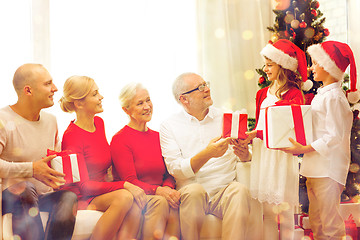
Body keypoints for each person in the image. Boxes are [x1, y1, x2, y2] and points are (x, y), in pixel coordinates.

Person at [159, 72, 262, 240]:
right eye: (200, 88)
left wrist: (244, 155)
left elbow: (242, 158)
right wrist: (208, 153)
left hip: (223, 191)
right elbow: (175, 169)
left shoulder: (225, 117)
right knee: (194, 191)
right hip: (193, 191)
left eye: (205, 84)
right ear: (184, 99)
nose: (207, 89)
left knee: (239, 189)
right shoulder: (169, 126)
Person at [281, 41, 356, 239]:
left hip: (328, 170)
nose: (311, 68)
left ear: (328, 66)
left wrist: (304, 148)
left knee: (329, 223)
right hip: (315, 168)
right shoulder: (322, 95)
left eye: (314, 63)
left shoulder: (334, 98)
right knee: (316, 220)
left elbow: (334, 135)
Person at [60, 75, 144, 240]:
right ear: (79, 103)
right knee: (125, 196)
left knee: (135, 202)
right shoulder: (72, 136)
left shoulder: (99, 123)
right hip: (82, 197)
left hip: (100, 193)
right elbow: (83, 185)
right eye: (95, 94)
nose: (101, 97)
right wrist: (125, 185)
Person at [0, 63, 77, 240]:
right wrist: (32, 169)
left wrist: (57, 176)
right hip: (10, 198)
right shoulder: (2, 119)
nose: (55, 88)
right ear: (28, 91)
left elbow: (52, 161)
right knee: (25, 188)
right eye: (48, 83)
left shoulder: (51, 121)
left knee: (68, 196)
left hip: (41, 196)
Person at [244, 39, 308, 240]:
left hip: (280, 158)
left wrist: (258, 134)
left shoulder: (294, 94)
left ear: (283, 66)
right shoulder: (261, 93)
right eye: (265, 64)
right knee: (268, 214)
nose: (265, 69)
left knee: (285, 214)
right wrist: (249, 137)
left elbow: (288, 130)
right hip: (263, 156)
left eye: (270, 65)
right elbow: (258, 126)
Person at [110, 82, 180, 240]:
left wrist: (168, 188)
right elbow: (130, 180)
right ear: (126, 110)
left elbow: (169, 173)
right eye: (140, 103)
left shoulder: (158, 136)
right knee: (161, 202)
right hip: (137, 196)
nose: (147, 106)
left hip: (160, 193)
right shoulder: (120, 139)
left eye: (148, 100)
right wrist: (160, 192)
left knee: (175, 201)